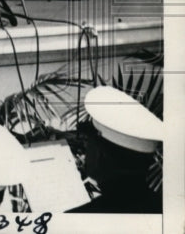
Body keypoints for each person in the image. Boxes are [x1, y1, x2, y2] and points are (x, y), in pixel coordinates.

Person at [68, 86, 162, 214]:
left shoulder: (76, 219)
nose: (84, 155)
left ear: (100, 156)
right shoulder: (168, 210)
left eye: (88, 144)